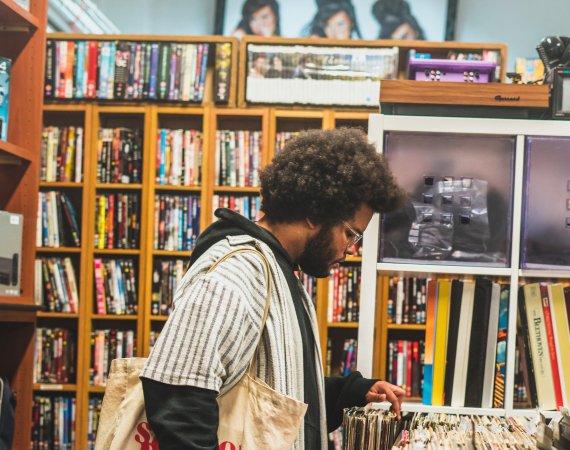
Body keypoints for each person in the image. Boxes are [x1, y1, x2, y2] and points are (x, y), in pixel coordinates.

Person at [140, 128, 408, 450]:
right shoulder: (236, 274)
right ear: (315, 215)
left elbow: (272, 391)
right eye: (351, 234)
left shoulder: (277, 271)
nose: (352, 249)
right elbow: (177, 397)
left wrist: (348, 391)